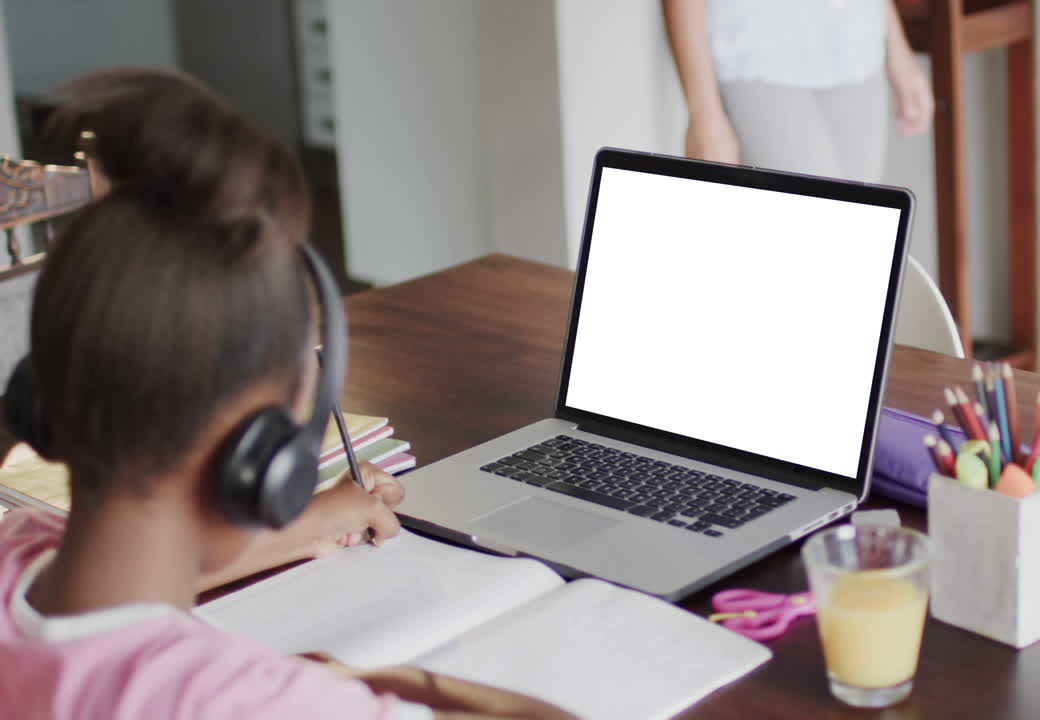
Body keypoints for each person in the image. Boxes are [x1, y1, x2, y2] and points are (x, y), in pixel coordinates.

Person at [0, 67, 573, 720]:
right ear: (261, 460)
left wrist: (310, 523)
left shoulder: (19, 548)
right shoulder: (235, 701)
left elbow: (115, 608)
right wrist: (372, 683)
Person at [662, 0, 934, 182]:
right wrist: (703, 111)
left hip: (857, 44)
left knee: (858, 242)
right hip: (754, 52)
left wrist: (897, 47)